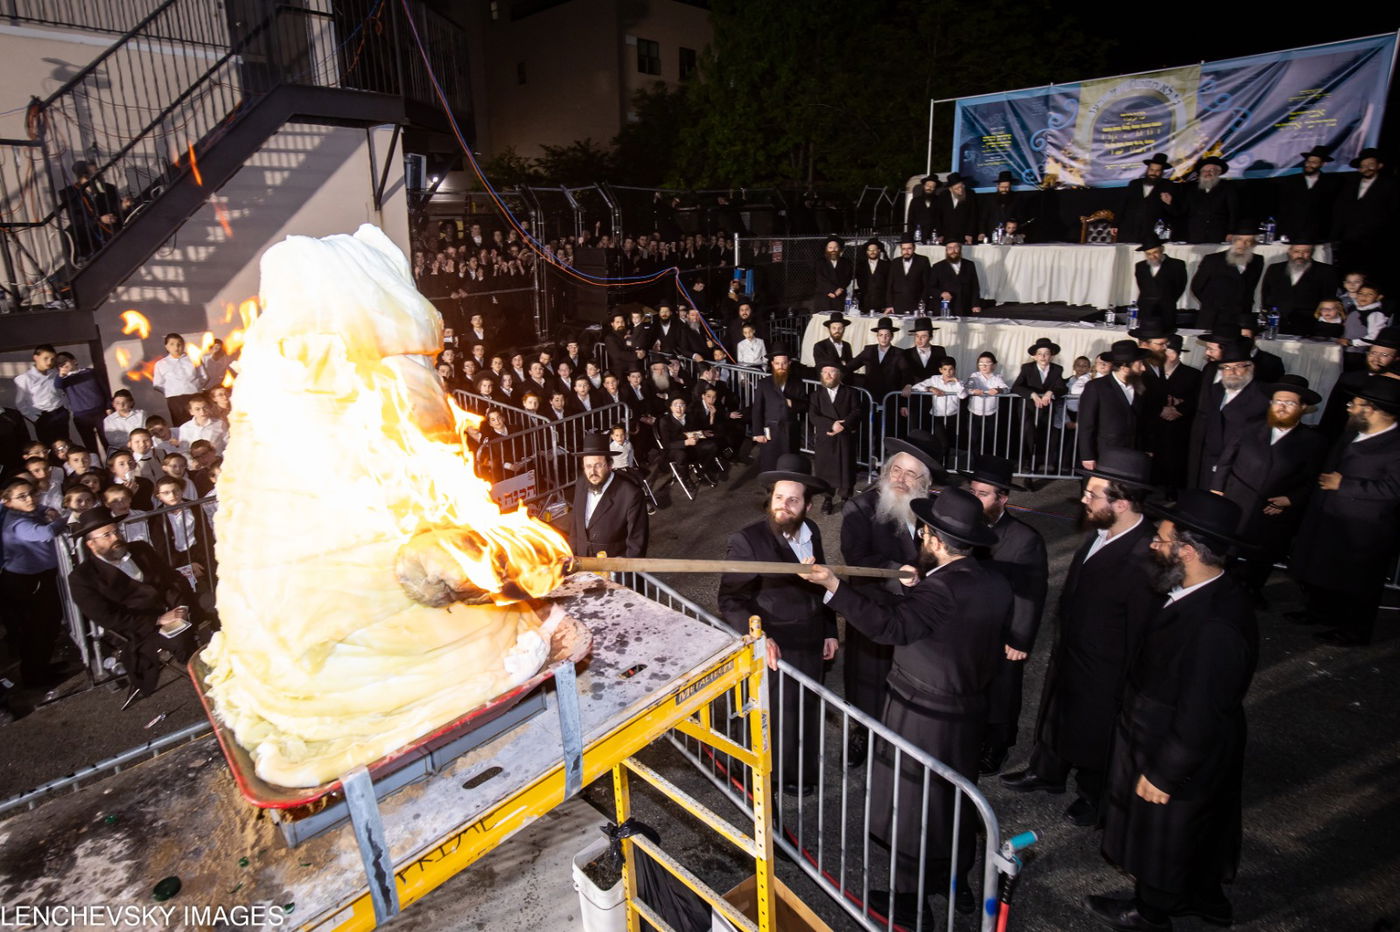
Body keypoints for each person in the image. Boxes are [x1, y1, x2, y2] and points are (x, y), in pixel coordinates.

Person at [807, 489, 1009, 918]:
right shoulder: (991, 582)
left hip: (922, 712)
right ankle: (955, 881)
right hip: (968, 710)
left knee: (912, 804)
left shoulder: (941, 591)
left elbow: (888, 627)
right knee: (954, 800)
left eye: (925, 532)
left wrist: (833, 587)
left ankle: (910, 903)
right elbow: (950, 626)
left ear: (933, 538)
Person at [1092, 491, 1257, 932]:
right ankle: (1205, 902)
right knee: (1198, 834)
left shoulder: (1216, 627)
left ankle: (1151, 913)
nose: (1152, 544)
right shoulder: (1200, 588)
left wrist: (1166, 772)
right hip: (1165, 732)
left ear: (1187, 551)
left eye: (1162, 540)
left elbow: (1201, 712)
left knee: (1167, 836)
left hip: (1175, 747)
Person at [1002, 449, 1157, 828]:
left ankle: (1096, 794)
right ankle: (1048, 772)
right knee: (1057, 714)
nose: (1084, 499)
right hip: (1070, 651)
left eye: (1092, 494)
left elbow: (1141, 632)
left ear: (1121, 502)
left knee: (1095, 732)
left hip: (1107, 669)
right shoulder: (1101, 531)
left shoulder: (1145, 555)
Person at [718, 455, 838, 795]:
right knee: (773, 717)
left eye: (793, 499)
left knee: (806, 711)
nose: (784, 506)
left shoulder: (812, 531)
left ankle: (798, 775)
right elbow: (730, 599)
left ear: (808, 506)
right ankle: (759, 779)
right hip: (774, 643)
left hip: (811, 639)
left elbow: (822, 579)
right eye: (779, 497)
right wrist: (760, 638)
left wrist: (829, 629)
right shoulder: (747, 541)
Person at [838, 430, 946, 761]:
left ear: (923, 482)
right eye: (896, 470)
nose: (901, 478)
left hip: (916, 616)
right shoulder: (860, 507)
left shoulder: (934, 510)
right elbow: (856, 560)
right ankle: (862, 734)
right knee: (867, 681)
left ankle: (904, 736)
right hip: (875, 609)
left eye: (911, 473)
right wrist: (900, 575)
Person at [1288, 377, 1400, 646]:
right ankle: (1320, 612)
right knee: (1323, 568)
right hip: (1329, 513)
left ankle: (1354, 632)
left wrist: (1344, 484)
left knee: (1357, 583)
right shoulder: (1353, 429)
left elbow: (1394, 489)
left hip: (1364, 527)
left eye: (1355, 404)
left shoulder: (1395, 445)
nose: (1349, 407)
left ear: (1371, 409)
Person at [964, 455, 1048, 776]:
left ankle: (999, 745)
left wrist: (1020, 637)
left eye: (983, 494)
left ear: (1003, 498)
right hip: (971, 627)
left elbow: (1032, 592)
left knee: (1002, 690)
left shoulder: (1024, 539)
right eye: (972, 491)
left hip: (1004, 631)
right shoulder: (963, 526)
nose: (975, 499)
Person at [1210, 375, 1327, 602]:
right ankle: (1220, 586)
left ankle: (1252, 590)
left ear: (1303, 408)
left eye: (1290, 403)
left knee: (1263, 552)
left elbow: (1313, 479)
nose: (1281, 407)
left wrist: (1291, 500)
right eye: (1277, 401)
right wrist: (1217, 491)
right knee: (1228, 550)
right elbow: (1226, 461)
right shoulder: (1249, 427)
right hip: (1238, 500)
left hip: (1273, 508)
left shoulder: (1313, 441)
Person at [67, 505, 200, 699]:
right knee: (182, 640)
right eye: (107, 535)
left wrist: (181, 606)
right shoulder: (82, 577)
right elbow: (109, 618)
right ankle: (208, 683)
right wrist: (158, 619)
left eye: (116, 531)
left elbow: (173, 579)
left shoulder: (140, 549)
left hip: (174, 608)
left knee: (217, 611)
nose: (116, 538)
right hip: (138, 628)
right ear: (91, 544)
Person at [0, 478, 69, 692]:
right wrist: (64, 518)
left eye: (32, 493)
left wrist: (46, 509)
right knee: (36, 629)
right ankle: (34, 676)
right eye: (22, 496)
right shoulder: (16, 522)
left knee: (49, 624)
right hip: (26, 582)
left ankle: (43, 666)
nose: (30, 499)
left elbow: (40, 507)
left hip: (42, 576)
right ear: (7, 502)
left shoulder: (28, 511)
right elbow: (47, 533)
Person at [1188, 342, 1269, 489]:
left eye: (1238, 366)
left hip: (1238, 466)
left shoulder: (1262, 395)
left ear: (1250, 367)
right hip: (1208, 461)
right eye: (1226, 367)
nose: (1232, 372)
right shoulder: (1216, 390)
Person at [567, 432, 647, 558]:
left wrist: (627, 574)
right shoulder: (581, 482)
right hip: (582, 563)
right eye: (588, 466)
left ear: (610, 465)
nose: (592, 472)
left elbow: (637, 542)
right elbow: (575, 526)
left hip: (613, 568)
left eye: (598, 465)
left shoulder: (631, 494)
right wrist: (571, 557)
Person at [1077, 340, 1149, 470]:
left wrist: (1147, 448)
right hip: (1105, 455)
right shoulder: (1096, 387)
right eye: (1140, 363)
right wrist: (1087, 455)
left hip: (1133, 455)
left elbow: (1145, 422)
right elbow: (1086, 424)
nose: (1144, 368)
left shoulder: (1141, 387)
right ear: (1125, 366)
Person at [1331, 148, 1397, 289]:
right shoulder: (1349, 185)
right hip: (1349, 241)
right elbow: (1339, 211)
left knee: (1371, 276)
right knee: (1347, 273)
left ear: (1379, 166)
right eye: (1363, 165)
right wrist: (1337, 235)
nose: (1367, 168)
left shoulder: (1389, 185)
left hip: (1375, 241)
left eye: (1371, 164)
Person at [1146, 333, 1201, 491]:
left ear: (1177, 354)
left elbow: (1197, 399)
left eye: (1169, 352)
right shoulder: (1151, 372)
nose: (1165, 356)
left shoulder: (1193, 375)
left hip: (1179, 428)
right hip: (1155, 426)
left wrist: (1179, 410)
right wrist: (1161, 409)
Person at [808, 363, 864, 513]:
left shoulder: (851, 392)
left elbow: (857, 411)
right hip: (825, 437)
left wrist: (843, 426)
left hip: (845, 436)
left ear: (838, 374)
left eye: (832, 372)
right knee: (825, 468)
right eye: (825, 372)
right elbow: (813, 416)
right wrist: (831, 424)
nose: (828, 375)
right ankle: (827, 498)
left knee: (846, 467)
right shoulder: (816, 395)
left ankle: (846, 498)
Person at [1011, 338, 1067, 474]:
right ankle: (1026, 465)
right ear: (1034, 356)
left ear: (1052, 355)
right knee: (1028, 434)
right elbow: (1016, 386)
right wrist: (1032, 394)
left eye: (1046, 353)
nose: (1043, 356)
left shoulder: (1057, 369)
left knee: (1042, 437)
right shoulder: (1027, 368)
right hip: (1028, 408)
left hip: (1046, 409)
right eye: (1040, 353)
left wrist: (1050, 392)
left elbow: (1063, 388)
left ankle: (1035, 465)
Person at [1190, 231, 1263, 333]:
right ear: (1232, 240)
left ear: (1253, 244)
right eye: (1239, 239)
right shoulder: (1213, 260)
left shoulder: (1257, 261)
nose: (1242, 244)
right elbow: (1197, 287)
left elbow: (1251, 287)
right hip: (1214, 317)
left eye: (1248, 241)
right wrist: (1211, 304)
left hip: (1241, 319)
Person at [1260, 243, 1338, 335]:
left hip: (1311, 327)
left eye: (1306, 252)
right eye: (1296, 252)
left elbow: (1328, 298)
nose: (1300, 255)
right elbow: (1266, 295)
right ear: (1289, 252)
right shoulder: (1275, 269)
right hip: (1278, 324)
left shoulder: (1325, 271)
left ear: (1312, 253)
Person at [750, 346, 807, 471]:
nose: (780, 366)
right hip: (770, 430)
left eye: (784, 363)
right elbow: (757, 410)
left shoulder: (797, 383)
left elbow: (805, 405)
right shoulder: (764, 383)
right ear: (772, 364)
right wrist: (757, 432)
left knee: (789, 464)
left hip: (790, 430)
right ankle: (769, 488)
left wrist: (792, 403)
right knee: (769, 462)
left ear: (789, 363)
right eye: (777, 363)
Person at [1275, 146, 1338, 246]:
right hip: (1291, 232)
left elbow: (1332, 209)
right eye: (1308, 161)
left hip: (1317, 234)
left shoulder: (1331, 183)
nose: (1309, 165)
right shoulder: (1290, 181)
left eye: (1314, 162)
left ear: (1322, 164)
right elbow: (1282, 207)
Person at [14, 344, 70, 446]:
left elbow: (60, 392)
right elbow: (20, 403)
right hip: (44, 418)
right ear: (36, 357)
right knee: (50, 448)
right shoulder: (25, 378)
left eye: (52, 359)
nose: (49, 362)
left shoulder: (54, 374)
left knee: (66, 445)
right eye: (46, 358)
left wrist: (65, 409)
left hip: (60, 413)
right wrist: (35, 419)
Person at [52, 353, 108, 454]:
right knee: (90, 447)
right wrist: (61, 375)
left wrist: (108, 406)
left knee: (107, 442)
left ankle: (112, 466)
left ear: (74, 361)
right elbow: (57, 386)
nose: (64, 365)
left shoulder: (90, 372)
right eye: (60, 364)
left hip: (100, 412)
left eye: (65, 361)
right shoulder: (65, 380)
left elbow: (104, 389)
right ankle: (96, 468)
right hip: (81, 416)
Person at [1116, 153, 1174, 244]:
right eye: (1151, 170)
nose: (1153, 173)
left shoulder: (1168, 185)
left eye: (1157, 171)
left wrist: (1169, 203)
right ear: (1147, 169)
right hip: (1130, 229)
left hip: (1154, 231)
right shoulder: (1134, 184)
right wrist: (1115, 224)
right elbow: (1123, 204)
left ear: (1162, 172)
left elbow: (1175, 211)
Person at [1132, 236, 1187, 331]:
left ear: (1162, 249)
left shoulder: (1177, 265)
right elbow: (1142, 287)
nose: (1152, 256)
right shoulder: (1140, 266)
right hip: (1145, 309)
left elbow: (1180, 286)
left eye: (1155, 252)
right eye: (1148, 254)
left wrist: (1166, 299)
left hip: (1166, 310)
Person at [1179, 156, 1238, 244]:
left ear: (1219, 172)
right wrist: (1169, 203)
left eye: (1211, 170)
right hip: (1195, 235)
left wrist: (1231, 232)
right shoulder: (1191, 189)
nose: (1207, 173)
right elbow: (1182, 211)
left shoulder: (1228, 187)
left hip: (1220, 234)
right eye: (1204, 171)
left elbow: (1234, 212)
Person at [151, 333, 207, 426]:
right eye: (172, 344)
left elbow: (204, 376)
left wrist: (195, 387)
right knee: (181, 424)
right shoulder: (161, 364)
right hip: (175, 400)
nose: (176, 347)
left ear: (183, 345)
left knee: (200, 422)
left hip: (194, 396)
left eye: (179, 344)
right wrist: (171, 391)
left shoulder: (193, 358)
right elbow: (157, 384)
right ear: (166, 346)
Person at [965, 351, 1012, 455]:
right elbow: (967, 387)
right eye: (981, 363)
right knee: (974, 439)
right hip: (974, 413)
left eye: (988, 363)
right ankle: (974, 463)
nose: (984, 366)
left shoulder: (997, 377)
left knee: (990, 439)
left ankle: (987, 464)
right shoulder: (974, 375)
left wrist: (998, 390)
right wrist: (973, 391)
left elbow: (1007, 389)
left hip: (991, 414)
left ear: (994, 365)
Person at [929, 241, 982, 315]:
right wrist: (941, 293)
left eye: (956, 247)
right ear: (946, 251)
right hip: (946, 308)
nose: (953, 251)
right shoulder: (938, 266)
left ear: (960, 249)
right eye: (950, 248)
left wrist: (976, 304)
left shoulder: (969, 265)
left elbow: (975, 287)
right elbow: (931, 288)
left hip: (965, 307)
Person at [885, 232, 931, 316]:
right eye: (904, 249)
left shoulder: (923, 261)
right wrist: (889, 304)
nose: (906, 251)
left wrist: (922, 305)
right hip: (897, 305)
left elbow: (927, 285)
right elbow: (889, 285)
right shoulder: (895, 262)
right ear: (900, 249)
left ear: (914, 248)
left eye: (909, 248)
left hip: (916, 305)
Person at [813, 236, 853, 313]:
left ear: (839, 249)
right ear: (826, 249)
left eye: (835, 247)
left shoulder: (846, 262)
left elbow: (848, 277)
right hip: (824, 296)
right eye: (830, 248)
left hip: (839, 296)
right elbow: (819, 279)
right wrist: (831, 291)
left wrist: (840, 289)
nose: (833, 250)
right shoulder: (820, 262)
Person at [937, 172, 979, 245]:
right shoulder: (943, 196)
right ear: (950, 189)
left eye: (961, 187)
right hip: (947, 235)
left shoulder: (970, 194)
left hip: (965, 235)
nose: (960, 190)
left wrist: (969, 233)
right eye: (956, 189)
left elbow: (974, 215)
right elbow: (938, 216)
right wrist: (940, 234)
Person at [854, 238, 892, 312]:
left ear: (879, 250)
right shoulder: (860, 266)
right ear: (867, 252)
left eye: (874, 250)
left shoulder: (887, 265)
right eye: (870, 250)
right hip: (864, 303)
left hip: (882, 304)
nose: (872, 252)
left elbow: (890, 284)